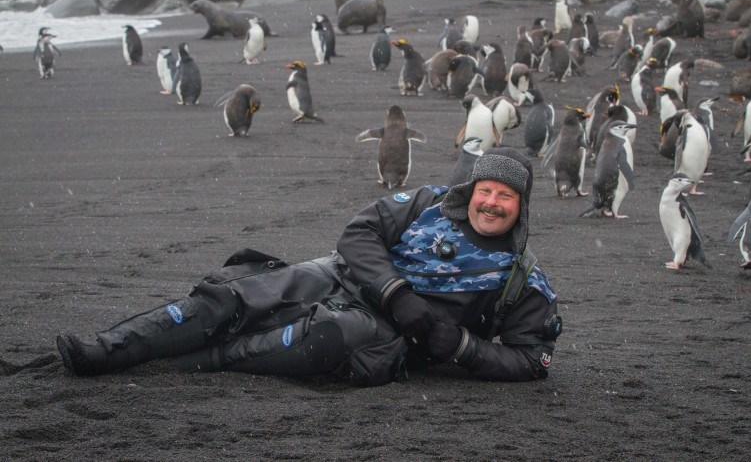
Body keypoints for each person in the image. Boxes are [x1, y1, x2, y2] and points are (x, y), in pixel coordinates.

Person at [56, 148, 561, 385]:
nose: (492, 203)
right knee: (230, 299)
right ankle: (107, 351)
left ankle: (186, 366)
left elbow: (533, 360)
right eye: (486, 190)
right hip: (344, 275)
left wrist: (466, 348)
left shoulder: (522, 278)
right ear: (472, 190)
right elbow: (359, 233)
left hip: (382, 333)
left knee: (321, 338)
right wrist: (396, 290)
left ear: (522, 205)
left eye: (506, 196)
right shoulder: (426, 202)